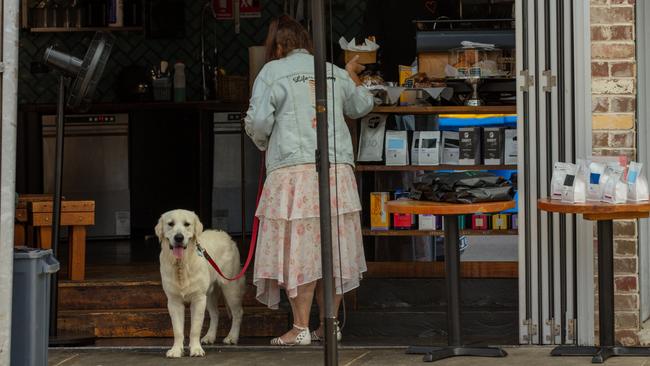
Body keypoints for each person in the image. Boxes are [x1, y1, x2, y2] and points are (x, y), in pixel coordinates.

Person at [244, 15, 373, 346]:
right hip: (336, 170)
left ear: (278, 44)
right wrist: (353, 76)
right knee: (333, 249)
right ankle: (328, 326)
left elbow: (259, 121)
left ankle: (300, 327)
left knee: (299, 250)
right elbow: (361, 106)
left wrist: (264, 141)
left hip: (292, 173)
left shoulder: (272, 72)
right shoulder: (331, 70)